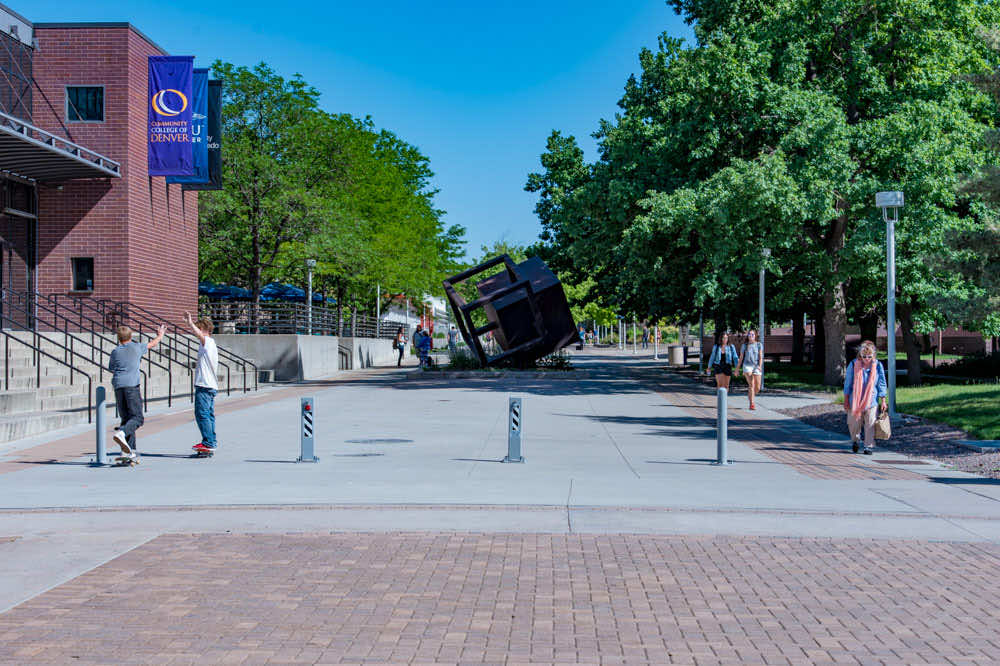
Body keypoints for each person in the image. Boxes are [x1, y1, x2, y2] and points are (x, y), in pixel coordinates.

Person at [109, 323, 166, 460]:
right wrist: (160, 335)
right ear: (130, 336)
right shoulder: (137, 347)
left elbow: (112, 367)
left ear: (118, 338)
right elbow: (152, 344)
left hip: (118, 385)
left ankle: (128, 450)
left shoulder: (115, 351)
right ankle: (122, 433)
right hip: (131, 386)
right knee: (137, 418)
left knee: (126, 419)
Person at [844, 340, 888, 455]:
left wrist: (883, 400)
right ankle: (855, 440)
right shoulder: (853, 364)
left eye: (869, 356)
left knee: (870, 423)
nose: (867, 359)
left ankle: (868, 446)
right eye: (864, 356)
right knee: (853, 424)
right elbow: (848, 383)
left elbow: (882, 383)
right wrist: (846, 400)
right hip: (855, 400)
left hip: (871, 400)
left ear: (873, 355)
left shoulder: (877, 365)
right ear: (860, 355)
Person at [186, 313, 219, 454]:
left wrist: (190, 323)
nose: (197, 332)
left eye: (199, 329)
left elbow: (200, 335)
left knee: (202, 414)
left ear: (204, 329)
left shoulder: (208, 342)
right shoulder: (209, 344)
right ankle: (211, 440)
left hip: (204, 385)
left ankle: (208, 442)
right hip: (210, 385)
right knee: (209, 414)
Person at [738, 330, 764, 410]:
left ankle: (751, 395)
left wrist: (760, 366)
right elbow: (741, 358)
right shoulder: (744, 345)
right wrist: (737, 369)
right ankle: (752, 404)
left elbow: (760, 357)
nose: (750, 335)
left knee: (757, 387)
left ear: (755, 335)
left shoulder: (759, 345)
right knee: (751, 384)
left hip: (756, 366)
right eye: (749, 334)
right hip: (747, 366)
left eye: (752, 334)